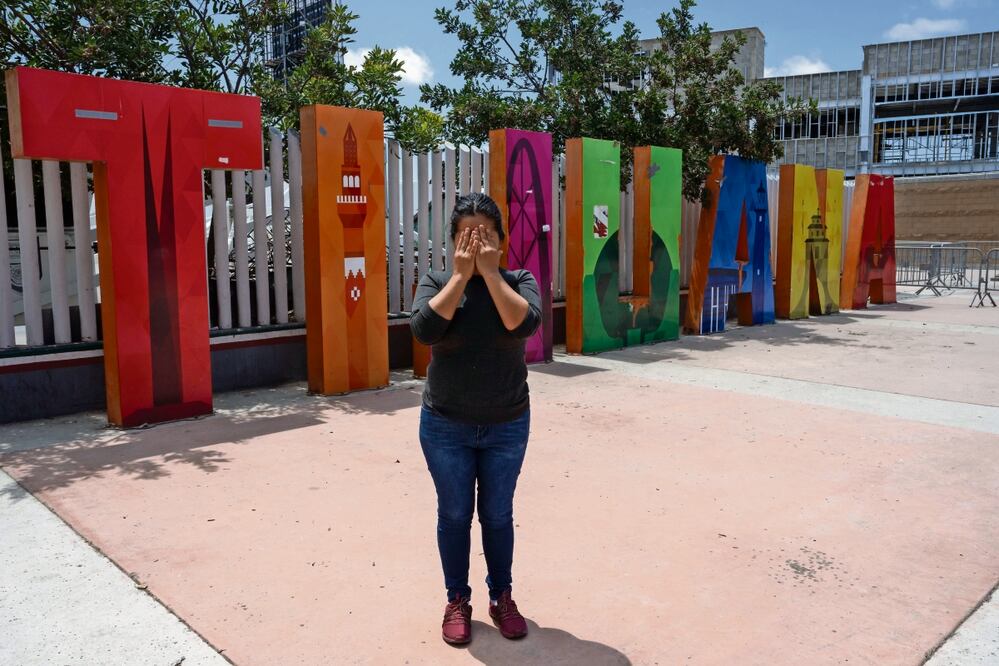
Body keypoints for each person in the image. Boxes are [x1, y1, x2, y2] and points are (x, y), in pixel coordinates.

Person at [410, 192, 542, 645]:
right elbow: (424, 329)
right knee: (454, 513)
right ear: (451, 242)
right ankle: (456, 599)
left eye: (485, 235)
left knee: (498, 514)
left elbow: (523, 324)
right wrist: (463, 276)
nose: (476, 242)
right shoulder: (435, 280)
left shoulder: (519, 280)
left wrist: (487, 273)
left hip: (507, 423)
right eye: (466, 235)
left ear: (502, 241)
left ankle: (501, 595)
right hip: (446, 424)